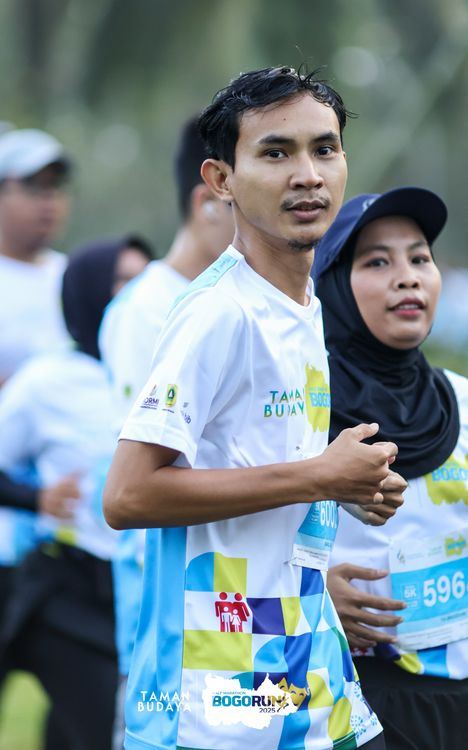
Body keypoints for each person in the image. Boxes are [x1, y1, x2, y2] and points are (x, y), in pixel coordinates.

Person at [104, 65, 406, 750]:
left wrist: (346, 487)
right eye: (275, 153)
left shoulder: (301, 304)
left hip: (297, 658)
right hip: (215, 692)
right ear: (221, 181)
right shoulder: (217, 312)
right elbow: (127, 496)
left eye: (324, 149)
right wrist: (318, 475)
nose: (307, 175)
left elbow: (258, 469)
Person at [0, 234, 153, 750]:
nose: (135, 294)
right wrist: (37, 499)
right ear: (85, 292)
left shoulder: (163, 372)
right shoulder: (48, 379)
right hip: (69, 589)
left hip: (143, 591)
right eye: (121, 281)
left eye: (144, 280)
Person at [312, 187, 468, 750]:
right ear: (333, 285)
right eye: (377, 262)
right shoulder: (299, 413)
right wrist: (310, 597)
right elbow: (235, 546)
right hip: (346, 696)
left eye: (419, 258)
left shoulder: (462, 401)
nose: (407, 278)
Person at [99, 115, 234, 750]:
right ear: (209, 198)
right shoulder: (147, 309)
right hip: (169, 604)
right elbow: (144, 480)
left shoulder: (236, 299)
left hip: (242, 601)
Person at [0, 127, 72, 748]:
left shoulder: (72, 277)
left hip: (60, 536)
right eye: (31, 187)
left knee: (77, 707)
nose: (48, 201)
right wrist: (34, 387)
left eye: (55, 187)